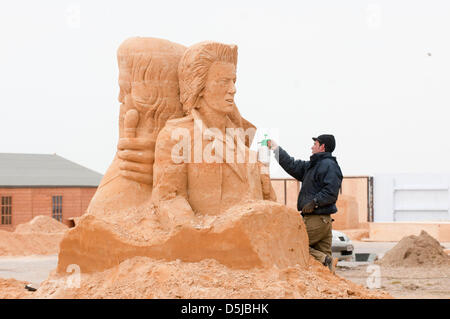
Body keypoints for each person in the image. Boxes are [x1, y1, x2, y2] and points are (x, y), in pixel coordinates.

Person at [268, 135, 343, 272]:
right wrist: (276, 149)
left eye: (315, 144)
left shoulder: (329, 166)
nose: (312, 146)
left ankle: (323, 259)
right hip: (322, 221)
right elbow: (291, 164)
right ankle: (329, 289)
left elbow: (331, 192)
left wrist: (314, 202)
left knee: (292, 245)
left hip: (317, 219)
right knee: (325, 267)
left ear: (322, 147)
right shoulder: (312, 166)